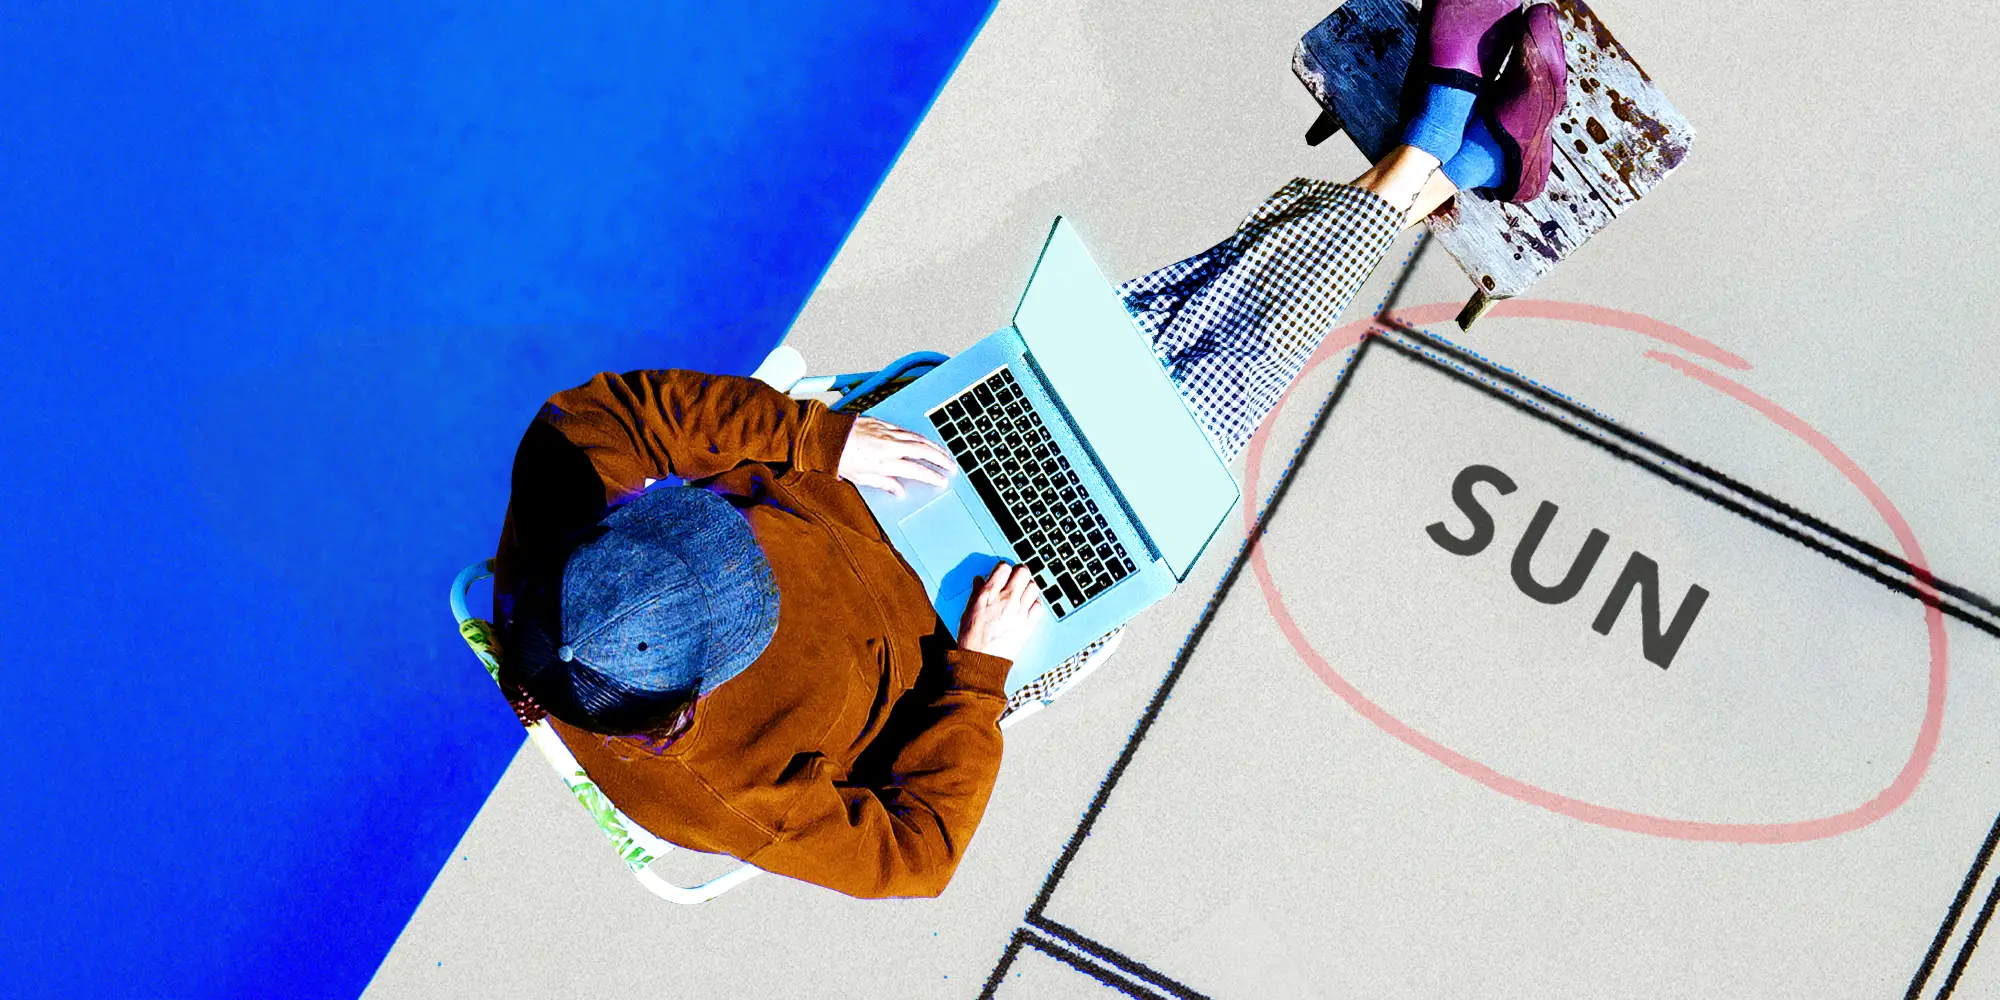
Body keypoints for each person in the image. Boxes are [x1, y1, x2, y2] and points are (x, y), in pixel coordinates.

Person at [490, 0, 1566, 899]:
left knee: (1125, 343)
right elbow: (918, 858)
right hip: (978, 611)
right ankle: (1446, 146)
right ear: (694, 698)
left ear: (614, 533)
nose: (745, 554)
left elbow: (598, 414)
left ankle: (1456, 155)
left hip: (872, 460)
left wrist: (823, 439)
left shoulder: (556, 556)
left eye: (707, 537)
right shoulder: (719, 797)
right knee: (1199, 397)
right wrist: (979, 671)